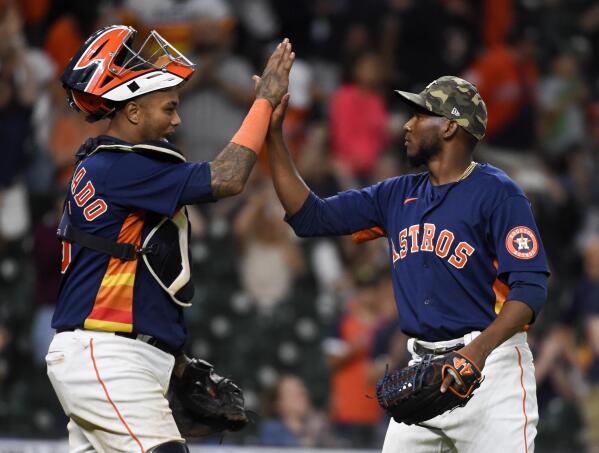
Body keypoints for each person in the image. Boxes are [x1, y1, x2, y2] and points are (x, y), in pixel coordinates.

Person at [265, 75, 549, 452]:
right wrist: (273, 135)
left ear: (449, 126)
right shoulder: (396, 194)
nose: (406, 124)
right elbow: (309, 217)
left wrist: (476, 353)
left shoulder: (498, 194)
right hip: (423, 372)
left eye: (419, 115)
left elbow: (530, 291)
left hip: (490, 370)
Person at [45, 24, 294, 452]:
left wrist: (176, 366)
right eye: (169, 107)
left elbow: (137, 270)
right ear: (134, 112)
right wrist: (264, 103)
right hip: (109, 355)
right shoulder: (120, 167)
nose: (177, 120)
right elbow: (227, 177)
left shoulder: (113, 166)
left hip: (110, 352)